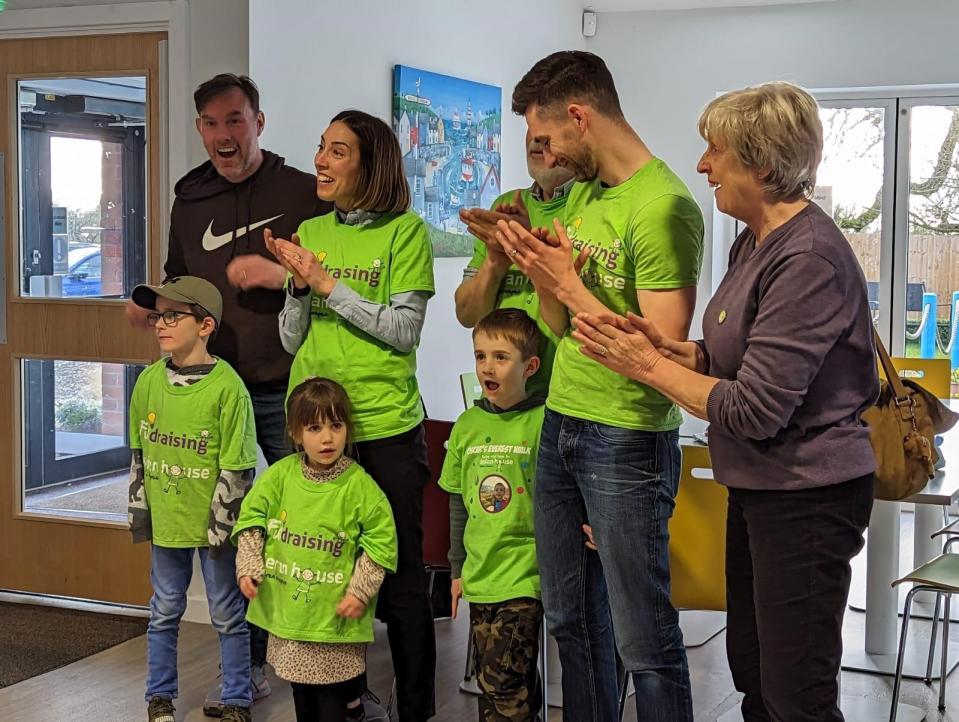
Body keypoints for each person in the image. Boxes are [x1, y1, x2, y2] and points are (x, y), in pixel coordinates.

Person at [571, 82, 877, 722]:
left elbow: (755, 409)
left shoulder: (809, 258)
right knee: (757, 674)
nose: (703, 165)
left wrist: (648, 367)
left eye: (715, 150)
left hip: (807, 500)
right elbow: (743, 358)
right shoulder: (753, 241)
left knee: (797, 697)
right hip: (762, 490)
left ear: (762, 162)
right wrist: (681, 353)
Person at [495, 51, 704, 721]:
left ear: (579, 117)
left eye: (548, 138)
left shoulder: (663, 204)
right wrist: (540, 271)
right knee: (569, 622)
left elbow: (657, 345)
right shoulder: (583, 195)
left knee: (642, 639)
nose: (546, 155)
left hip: (626, 437)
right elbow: (559, 325)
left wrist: (566, 282)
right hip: (562, 421)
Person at [127, 73, 330, 709]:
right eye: (212, 124)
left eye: (235, 121)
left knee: (290, 526)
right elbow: (175, 280)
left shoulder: (302, 193)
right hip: (205, 394)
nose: (224, 135)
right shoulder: (190, 201)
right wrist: (152, 309)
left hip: (281, 390)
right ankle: (252, 664)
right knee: (229, 532)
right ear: (199, 130)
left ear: (259, 123)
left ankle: (319, 665)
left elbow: (334, 283)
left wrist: (278, 272)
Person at [269, 109, 436, 721]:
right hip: (316, 429)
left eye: (337, 151)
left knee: (398, 582)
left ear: (370, 164)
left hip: (385, 428)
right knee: (329, 573)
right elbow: (291, 341)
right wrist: (295, 286)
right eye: (320, 148)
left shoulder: (406, 233)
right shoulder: (311, 231)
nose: (320, 160)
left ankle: (415, 708)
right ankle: (347, 702)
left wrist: (328, 285)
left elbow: (402, 330)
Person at [127, 276, 258, 722]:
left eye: (171, 316)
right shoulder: (146, 383)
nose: (160, 325)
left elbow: (238, 468)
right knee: (163, 611)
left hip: (214, 527)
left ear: (205, 326)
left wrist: (221, 530)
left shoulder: (228, 389)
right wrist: (141, 517)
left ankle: (237, 698)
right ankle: (159, 697)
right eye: (157, 316)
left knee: (226, 613)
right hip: (167, 524)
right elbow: (139, 457)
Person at [233, 377, 398, 722]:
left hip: (335, 622)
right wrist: (249, 566)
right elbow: (251, 519)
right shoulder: (278, 477)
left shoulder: (359, 486)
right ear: (296, 433)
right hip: (291, 620)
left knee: (331, 703)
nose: (327, 438)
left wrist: (360, 591)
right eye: (314, 427)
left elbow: (382, 544)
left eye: (336, 426)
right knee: (302, 697)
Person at [440, 308, 546, 722]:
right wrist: (456, 569)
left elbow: (558, 496)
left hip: (524, 577)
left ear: (530, 366)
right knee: (498, 687)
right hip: (480, 576)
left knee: (502, 683)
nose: (488, 366)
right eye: (481, 356)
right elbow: (456, 501)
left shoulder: (542, 422)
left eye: (501, 357)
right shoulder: (466, 425)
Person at [455, 132, 575, 395]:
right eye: (531, 126)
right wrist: (495, 261)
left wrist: (527, 251)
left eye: (547, 126)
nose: (536, 138)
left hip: (567, 400)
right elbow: (466, 314)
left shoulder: (592, 207)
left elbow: (576, 323)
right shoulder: (505, 205)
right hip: (505, 397)